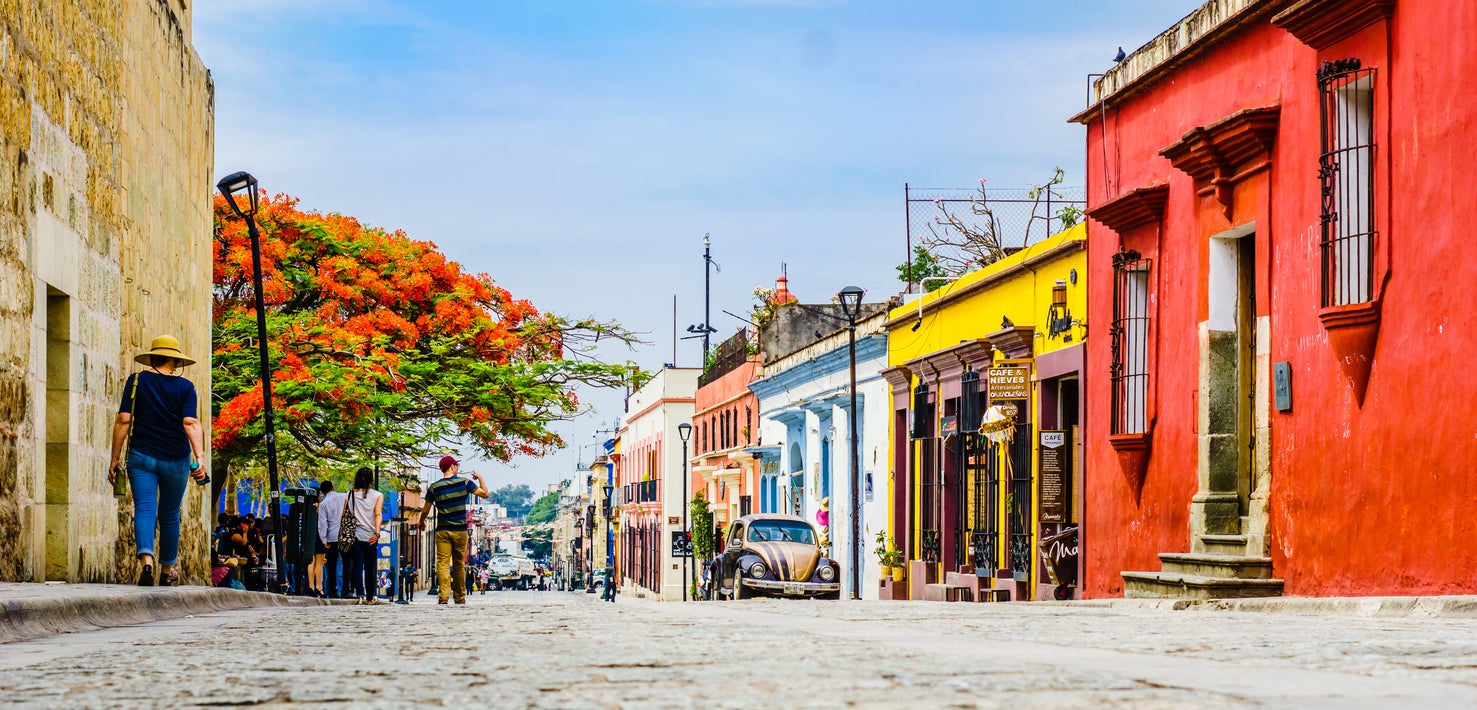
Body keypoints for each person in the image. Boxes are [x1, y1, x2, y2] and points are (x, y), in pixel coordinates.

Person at [108, 335, 206, 587]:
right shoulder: (185, 388)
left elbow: (123, 419)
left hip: (142, 456)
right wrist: (200, 457)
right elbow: (190, 422)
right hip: (176, 460)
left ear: (153, 356)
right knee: (170, 514)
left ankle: (146, 562)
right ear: (175, 359)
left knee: (144, 508)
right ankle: (167, 570)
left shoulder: (137, 380)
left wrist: (114, 458)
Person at [415, 456, 488, 605]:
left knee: (442, 563)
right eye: (456, 465)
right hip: (460, 530)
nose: (458, 468)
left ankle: (443, 596)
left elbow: (425, 509)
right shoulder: (464, 483)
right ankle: (460, 598)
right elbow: (485, 494)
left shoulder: (434, 487)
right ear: (452, 467)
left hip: (442, 530)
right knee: (459, 564)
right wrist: (480, 477)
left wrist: (421, 522)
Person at [348, 466, 384, 604]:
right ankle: (370, 597)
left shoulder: (350, 494)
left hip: (356, 535)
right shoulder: (377, 495)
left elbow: (348, 514)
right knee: (370, 567)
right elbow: (377, 514)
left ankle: (359, 595)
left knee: (357, 565)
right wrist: (377, 533)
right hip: (371, 536)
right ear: (371, 480)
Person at [317, 480, 347, 598]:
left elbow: (322, 524)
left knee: (331, 565)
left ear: (322, 492)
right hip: (345, 536)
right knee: (346, 563)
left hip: (332, 537)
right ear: (333, 487)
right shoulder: (344, 497)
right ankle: (345, 589)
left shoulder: (324, 504)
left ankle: (333, 590)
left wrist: (324, 540)